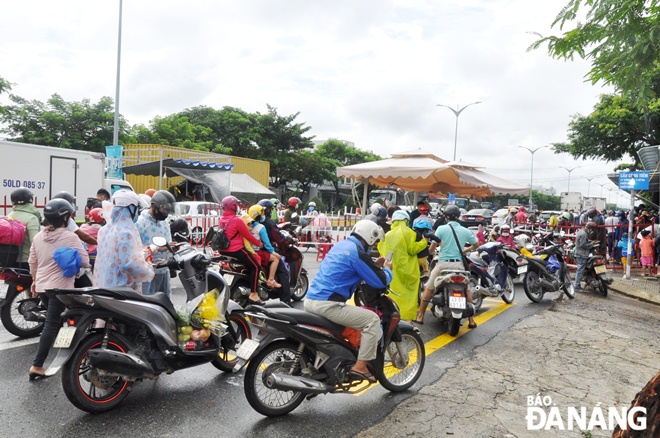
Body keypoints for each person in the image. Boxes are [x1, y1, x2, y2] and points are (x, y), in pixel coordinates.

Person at [304, 220, 393, 383]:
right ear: (370, 238)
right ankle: (360, 367)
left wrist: (373, 265)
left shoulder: (342, 245)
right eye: (374, 243)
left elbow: (351, 267)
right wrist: (387, 269)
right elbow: (380, 282)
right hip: (328, 305)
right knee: (372, 320)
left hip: (311, 300)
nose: (373, 247)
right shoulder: (358, 252)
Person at [28, 198, 89, 380]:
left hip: (42, 287)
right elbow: (85, 261)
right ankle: (37, 365)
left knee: (56, 321)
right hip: (60, 287)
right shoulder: (69, 237)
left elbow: (33, 262)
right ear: (64, 218)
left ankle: (66, 353)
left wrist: (34, 281)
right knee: (54, 323)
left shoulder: (38, 236)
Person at [417, 205, 479, 328]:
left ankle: (420, 316)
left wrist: (432, 251)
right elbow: (476, 245)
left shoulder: (441, 229)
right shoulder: (465, 230)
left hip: (443, 265)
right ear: (458, 217)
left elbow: (431, 249)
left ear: (445, 217)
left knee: (429, 288)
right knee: (466, 290)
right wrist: (466, 249)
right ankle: (471, 320)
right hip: (459, 265)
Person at [94, 190, 154, 292]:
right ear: (130, 208)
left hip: (105, 286)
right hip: (122, 290)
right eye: (136, 209)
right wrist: (147, 268)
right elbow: (128, 264)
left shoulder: (104, 230)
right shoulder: (126, 233)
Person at [377, 210, 427, 322]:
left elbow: (384, 252)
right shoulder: (409, 233)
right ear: (406, 220)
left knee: (393, 293)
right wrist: (424, 242)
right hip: (409, 270)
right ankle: (407, 320)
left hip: (392, 269)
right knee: (409, 295)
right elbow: (413, 249)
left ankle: (393, 317)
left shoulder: (387, 235)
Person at [217, 196, 264, 305]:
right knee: (256, 266)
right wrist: (259, 244)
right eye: (236, 205)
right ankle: (254, 294)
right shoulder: (237, 220)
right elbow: (247, 235)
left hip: (223, 251)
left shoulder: (221, 220)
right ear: (233, 206)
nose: (238, 206)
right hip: (235, 250)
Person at [136, 190, 176, 297]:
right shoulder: (140, 223)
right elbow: (136, 251)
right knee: (148, 303)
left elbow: (168, 244)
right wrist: (157, 249)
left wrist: (172, 249)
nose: (166, 214)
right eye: (164, 210)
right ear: (154, 206)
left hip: (164, 271)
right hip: (147, 273)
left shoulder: (165, 224)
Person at [257, 199, 294, 303]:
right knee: (283, 272)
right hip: (265, 251)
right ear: (268, 210)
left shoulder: (253, 221)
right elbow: (278, 237)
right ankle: (285, 302)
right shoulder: (268, 222)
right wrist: (289, 240)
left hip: (252, 250)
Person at [246, 204, 282, 289]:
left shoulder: (246, 225)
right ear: (258, 215)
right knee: (276, 258)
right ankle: (271, 280)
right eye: (262, 213)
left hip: (247, 251)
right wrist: (273, 252)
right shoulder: (261, 227)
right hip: (257, 252)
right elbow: (267, 244)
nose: (263, 215)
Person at [7, 188, 41, 268]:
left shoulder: (8, 216)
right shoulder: (32, 218)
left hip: (9, 261)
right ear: (30, 200)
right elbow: (35, 243)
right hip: (26, 262)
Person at [573, 222, 596, 292]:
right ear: (590, 228)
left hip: (580, 253)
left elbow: (583, 241)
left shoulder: (581, 232)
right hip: (581, 254)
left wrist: (590, 241)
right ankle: (576, 287)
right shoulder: (583, 234)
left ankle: (577, 285)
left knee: (580, 270)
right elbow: (583, 244)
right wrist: (591, 244)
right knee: (580, 271)